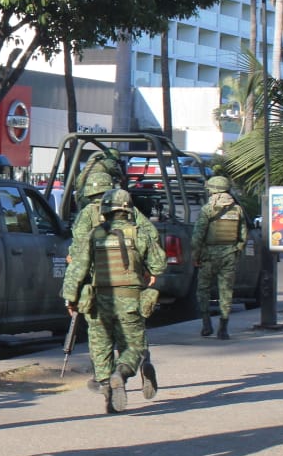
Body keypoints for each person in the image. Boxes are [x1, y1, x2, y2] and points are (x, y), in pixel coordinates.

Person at [61, 188, 167, 414]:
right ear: (128, 209)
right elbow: (159, 264)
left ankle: (107, 386)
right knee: (134, 347)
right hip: (130, 301)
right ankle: (121, 372)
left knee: (101, 347)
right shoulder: (138, 233)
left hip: (99, 302)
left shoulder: (94, 235)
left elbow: (77, 269)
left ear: (105, 211)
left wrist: (70, 299)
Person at [192, 175, 249, 340]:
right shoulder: (237, 210)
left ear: (213, 190)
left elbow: (198, 236)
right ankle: (223, 328)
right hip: (229, 255)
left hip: (208, 256)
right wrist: (236, 250)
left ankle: (206, 324)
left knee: (203, 290)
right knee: (226, 292)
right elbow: (243, 235)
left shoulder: (208, 209)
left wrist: (196, 255)